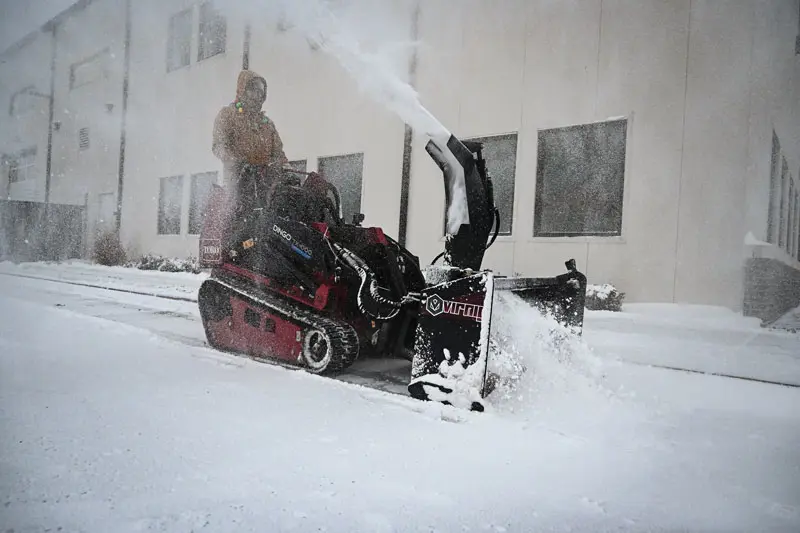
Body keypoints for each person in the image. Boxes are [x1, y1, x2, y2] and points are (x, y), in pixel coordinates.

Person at [212, 69, 289, 212]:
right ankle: (232, 219)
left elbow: (278, 153)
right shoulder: (228, 115)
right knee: (236, 212)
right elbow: (219, 145)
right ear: (243, 90)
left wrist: (285, 167)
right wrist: (235, 161)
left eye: (260, 92)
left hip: (265, 182)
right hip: (238, 180)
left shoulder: (267, 124)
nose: (257, 95)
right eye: (253, 90)